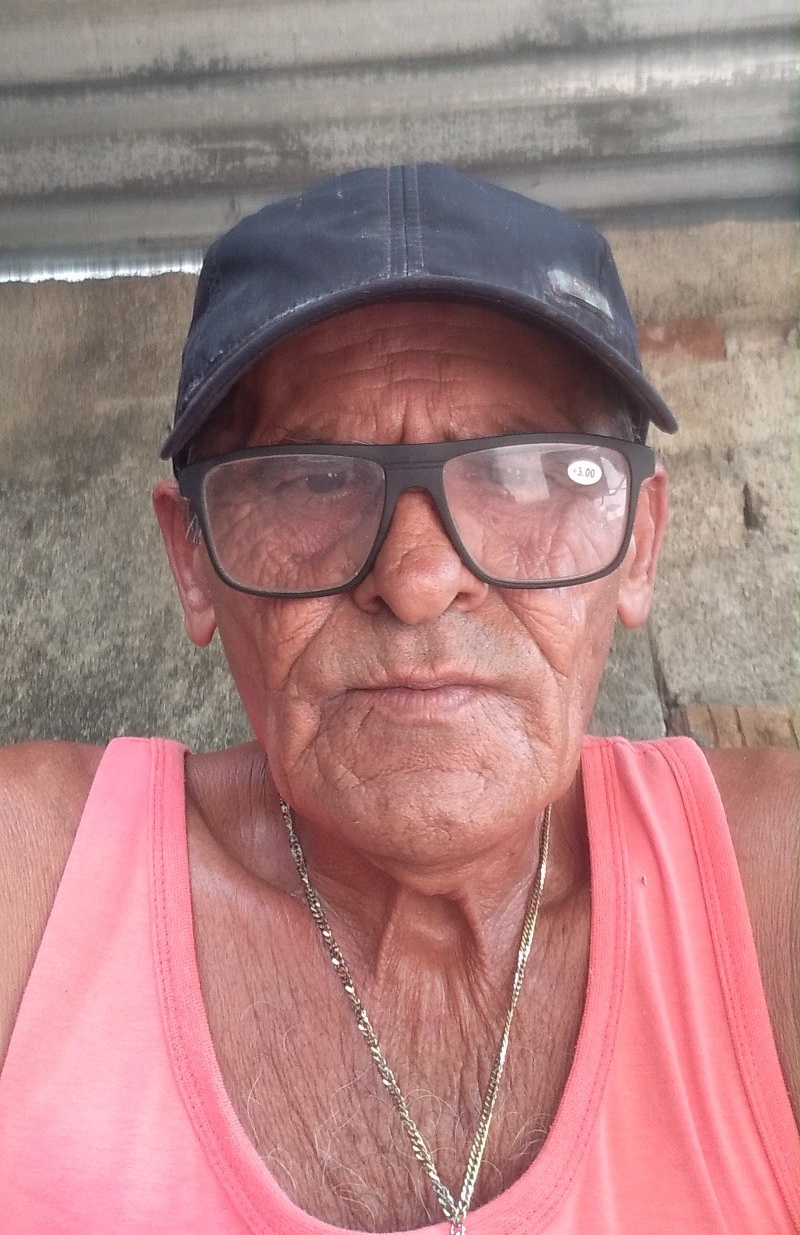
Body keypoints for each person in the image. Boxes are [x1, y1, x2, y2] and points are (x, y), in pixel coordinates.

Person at [0, 163, 797, 1234]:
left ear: (638, 543)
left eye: (523, 474)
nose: (418, 581)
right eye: (312, 478)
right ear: (193, 561)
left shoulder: (768, 895)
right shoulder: (32, 892)